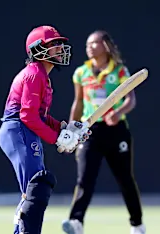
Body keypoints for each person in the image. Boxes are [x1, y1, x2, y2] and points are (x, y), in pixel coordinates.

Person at [0, 25, 92, 234]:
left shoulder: (42, 76)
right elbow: (27, 115)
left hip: (23, 130)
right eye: (54, 44)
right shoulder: (34, 74)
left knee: (33, 190)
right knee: (38, 185)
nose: (60, 48)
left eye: (60, 44)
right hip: (17, 130)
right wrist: (57, 139)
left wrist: (64, 128)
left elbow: (40, 117)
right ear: (37, 48)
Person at [61, 30, 145, 234]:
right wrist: (72, 129)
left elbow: (130, 100)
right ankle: (76, 221)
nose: (89, 47)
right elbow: (78, 102)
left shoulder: (119, 71)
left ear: (105, 45)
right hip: (90, 131)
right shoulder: (81, 72)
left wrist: (118, 113)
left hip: (116, 130)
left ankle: (137, 224)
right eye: (87, 44)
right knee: (85, 178)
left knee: (125, 179)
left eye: (94, 43)